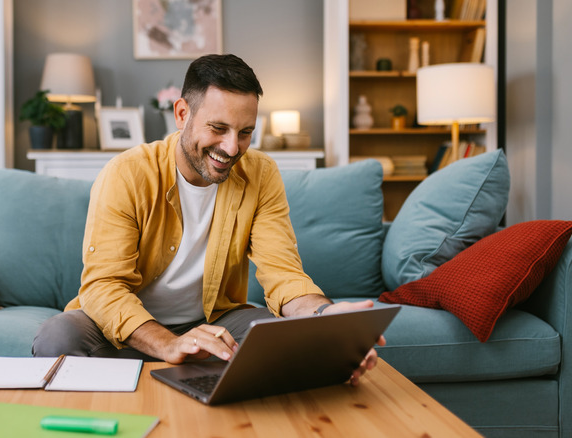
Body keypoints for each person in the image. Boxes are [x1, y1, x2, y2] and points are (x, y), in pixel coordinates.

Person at [33, 54, 385, 386]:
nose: (232, 148)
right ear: (182, 113)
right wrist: (170, 344)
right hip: (128, 329)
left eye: (245, 132)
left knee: (292, 338)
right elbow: (103, 287)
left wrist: (327, 320)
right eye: (218, 128)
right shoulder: (127, 173)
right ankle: (180, 365)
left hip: (214, 323)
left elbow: (283, 275)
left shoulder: (261, 174)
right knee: (58, 336)